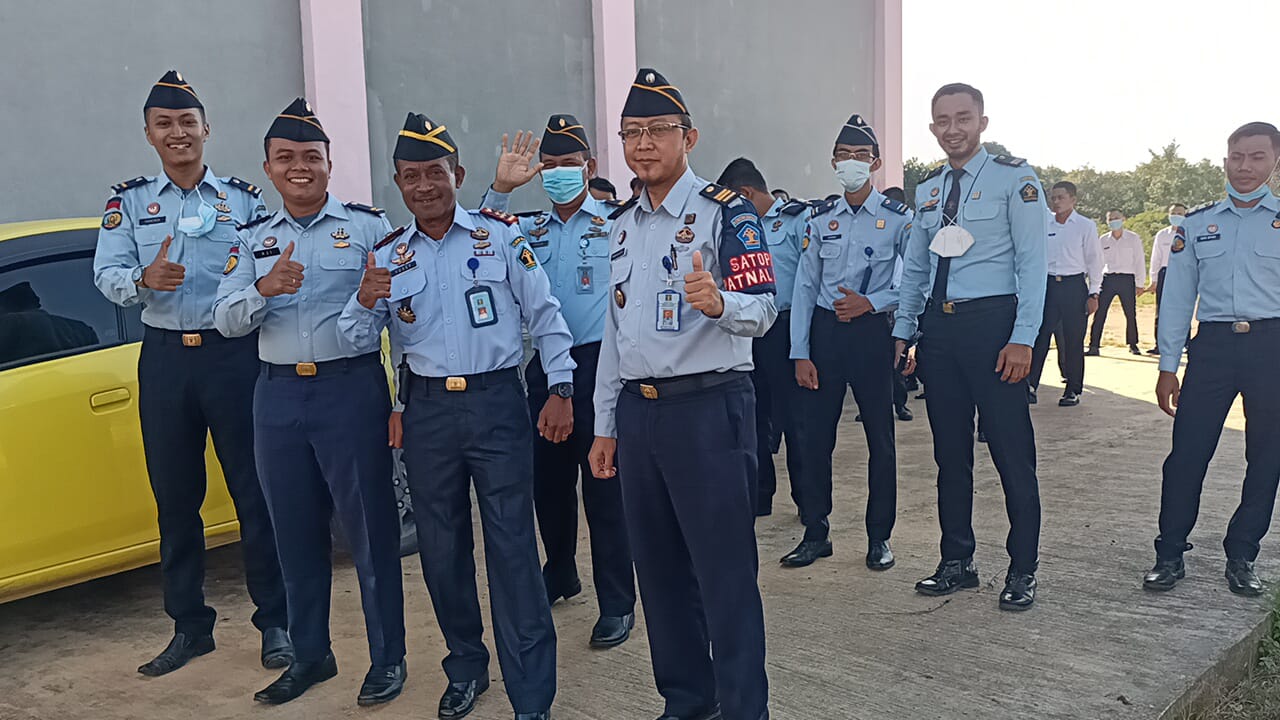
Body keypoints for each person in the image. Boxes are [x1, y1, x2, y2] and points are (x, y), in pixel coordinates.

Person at [340, 112, 567, 720]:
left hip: (497, 402)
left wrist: (561, 386)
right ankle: (466, 666)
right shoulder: (387, 256)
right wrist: (364, 302)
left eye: (434, 173)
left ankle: (532, 694)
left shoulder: (501, 237)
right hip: (429, 411)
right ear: (398, 182)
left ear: (457, 175)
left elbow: (544, 314)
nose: (423, 186)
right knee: (441, 551)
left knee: (513, 549)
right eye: (410, 176)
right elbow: (363, 339)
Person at [588, 68, 775, 720]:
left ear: (687, 136)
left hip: (708, 411)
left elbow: (764, 310)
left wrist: (721, 302)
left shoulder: (728, 214)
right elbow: (615, 333)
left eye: (658, 130)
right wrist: (605, 425)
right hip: (640, 416)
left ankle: (745, 709)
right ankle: (687, 701)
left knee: (724, 578)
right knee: (660, 576)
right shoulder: (619, 224)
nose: (643, 144)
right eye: (631, 132)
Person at [92, 71, 291, 678]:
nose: (177, 133)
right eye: (164, 124)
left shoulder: (242, 199)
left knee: (254, 493)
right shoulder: (127, 202)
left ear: (206, 129)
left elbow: (268, 266)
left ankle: (276, 623)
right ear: (149, 135)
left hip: (235, 357)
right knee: (176, 497)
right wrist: (141, 281)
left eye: (187, 123)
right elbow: (107, 274)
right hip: (167, 358)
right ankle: (189, 626)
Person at [213, 99, 406, 706]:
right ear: (267, 168)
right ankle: (311, 655)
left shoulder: (370, 228)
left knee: (370, 533)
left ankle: (388, 658)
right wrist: (264, 288)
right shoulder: (251, 240)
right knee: (291, 532)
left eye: (310, 157)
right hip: (276, 397)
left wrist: (401, 398)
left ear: (329, 164)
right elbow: (225, 320)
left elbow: (401, 320)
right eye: (286, 158)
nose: (299, 168)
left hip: (350, 390)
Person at [478, 115, 637, 649]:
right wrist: (501, 187)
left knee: (604, 487)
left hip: (601, 367)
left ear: (589, 168)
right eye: (549, 167)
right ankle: (562, 570)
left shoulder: (617, 221)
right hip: (543, 365)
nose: (558, 174)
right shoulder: (528, 228)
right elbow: (476, 238)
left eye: (568, 165)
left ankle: (617, 600)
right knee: (547, 484)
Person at [894, 83, 1046, 611]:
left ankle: (1023, 567)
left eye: (963, 118)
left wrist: (1023, 338)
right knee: (949, 455)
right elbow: (917, 264)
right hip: (941, 331)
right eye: (942, 120)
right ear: (932, 128)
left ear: (982, 122)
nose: (952, 129)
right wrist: (905, 328)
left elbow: (1033, 265)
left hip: (994, 328)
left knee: (1010, 453)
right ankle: (957, 559)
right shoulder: (928, 190)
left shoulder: (1014, 180)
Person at [1145, 121, 1280, 597]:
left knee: (1267, 456)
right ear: (1225, 159)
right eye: (1237, 156)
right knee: (1187, 453)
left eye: (1257, 157)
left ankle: (1242, 554)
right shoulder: (1197, 224)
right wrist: (1167, 365)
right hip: (1213, 349)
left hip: (1271, 348)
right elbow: (1178, 298)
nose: (1245, 167)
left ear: (1274, 162)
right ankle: (1169, 552)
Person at [785, 115, 910, 571]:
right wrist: (800, 351)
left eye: (860, 156)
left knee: (881, 436)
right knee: (814, 438)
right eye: (844, 156)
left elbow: (916, 282)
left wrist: (873, 303)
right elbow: (803, 286)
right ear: (833, 162)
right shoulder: (819, 219)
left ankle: (880, 537)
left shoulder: (898, 220)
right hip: (824, 335)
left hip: (870, 334)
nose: (851, 164)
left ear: (875, 163)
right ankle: (816, 532)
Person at [715, 157, 809, 518]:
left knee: (796, 421)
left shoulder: (798, 219)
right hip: (748, 331)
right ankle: (760, 495)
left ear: (745, 192)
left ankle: (806, 502)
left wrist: (804, 344)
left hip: (787, 330)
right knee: (753, 419)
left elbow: (808, 282)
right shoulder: (731, 225)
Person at [1027, 181, 1101, 407]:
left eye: (1061, 197)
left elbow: (1095, 260)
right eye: (1053, 198)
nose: (1056, 202)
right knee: (1039, 336)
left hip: (1074, 286)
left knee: (1073, 341)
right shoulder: (1043, 223)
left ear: (1073, 199)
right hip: (1048, 285)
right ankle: (1030, 385)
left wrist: (1094, 293)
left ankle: (1073, 389)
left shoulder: (1085, 226)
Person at [1088, 209, 1147, 356]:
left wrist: (1140, 283)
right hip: (1108, 278)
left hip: (1127, 279)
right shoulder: (1103, 240)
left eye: (1116, 218)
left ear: (1123, 219)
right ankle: (1094, 345)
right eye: (1110, 219)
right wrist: (1094, 282)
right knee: (1100, 312)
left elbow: (1139, 261)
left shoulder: (1133, 238)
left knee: (1130, 313)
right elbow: (1097, 262)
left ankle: (1133, 344)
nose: (1114, 221)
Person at [1146, 203, 1186, 355]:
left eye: (1179, 213)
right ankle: (1159, 344)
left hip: (1183, 273)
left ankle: (1184, 344)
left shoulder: (1190, 233)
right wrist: (1153, 279)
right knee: (1161, 311)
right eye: (1173, 213)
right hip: (1165, 272)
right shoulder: (1162, 234)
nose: (1176, 215)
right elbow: (1156, 258)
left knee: (1182, 309)